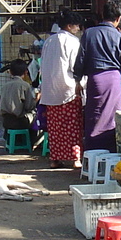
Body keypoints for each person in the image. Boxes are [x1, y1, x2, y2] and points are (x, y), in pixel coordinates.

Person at [73, 0, 121, 152]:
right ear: (119, 18)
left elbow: (80, 60)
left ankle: (92, 153)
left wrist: (77, 81)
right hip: (113, 81)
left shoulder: (89, 34)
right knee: (112, 117)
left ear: (103, 15)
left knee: (94, 115)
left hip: (95, 80)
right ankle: (110, 152)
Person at [41, 9, 83, 169]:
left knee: (55, 128)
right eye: (77, 25)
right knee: (72, 126)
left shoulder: (49, 41)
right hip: (69, 90)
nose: (78, 28)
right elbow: (76, 66)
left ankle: (55, 158)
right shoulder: (73, 42)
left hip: (50, 91)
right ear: (70, 25)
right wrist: (81, 83)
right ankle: (75, 159)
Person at [0, 59, 38, 144]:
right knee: (36, 118)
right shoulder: (25, 86)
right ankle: (30, 143)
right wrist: (36, 100)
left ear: (10, 72)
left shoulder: (5, 86)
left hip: (6, 121)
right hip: (19, 121)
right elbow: (29, 107)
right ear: (26, 72)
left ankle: (11, 141)